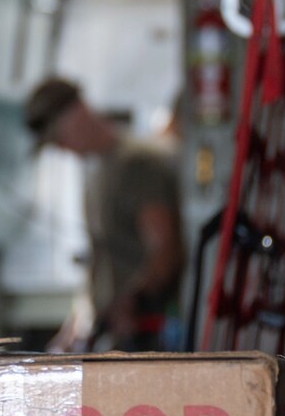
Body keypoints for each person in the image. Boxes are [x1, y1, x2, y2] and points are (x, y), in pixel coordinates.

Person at [22, 76, 184, 352]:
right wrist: (78, 323)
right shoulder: (95, 172)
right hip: (116, 335)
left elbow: (164, 252)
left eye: (58, 138)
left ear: (77, 113)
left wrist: (133, 303)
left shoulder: (135, 163)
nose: (62, 148)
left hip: (149, 334)